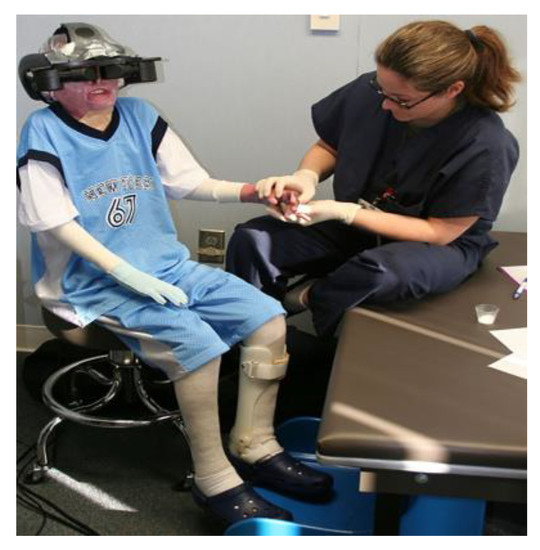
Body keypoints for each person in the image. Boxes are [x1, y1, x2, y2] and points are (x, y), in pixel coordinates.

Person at [17, 22, 331, 526]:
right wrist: (127, 273)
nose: (103, 84)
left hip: (165, 265)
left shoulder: (139, 115)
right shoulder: (43, 131)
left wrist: (254, 192)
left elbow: (190, 183)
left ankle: (255, 444)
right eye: (86, 75)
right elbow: (54, 223)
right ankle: (214, 479)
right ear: (50, 84)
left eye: (110, 72)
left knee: (267, 318)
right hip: (89, 284)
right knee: (198, 345)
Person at [226, 20, 521, 338]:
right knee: (253, 239)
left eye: (401, 100)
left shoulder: (485, 145)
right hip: (357, 225)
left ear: (453, 90)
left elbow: (439, 231)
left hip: (435, 245)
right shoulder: (375, 90)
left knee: (380, 272)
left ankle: (304, 299)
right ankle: (248, 333)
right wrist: (306, 176)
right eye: (381, 90)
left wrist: (346, 212)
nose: (385, 104)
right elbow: (329, 145)